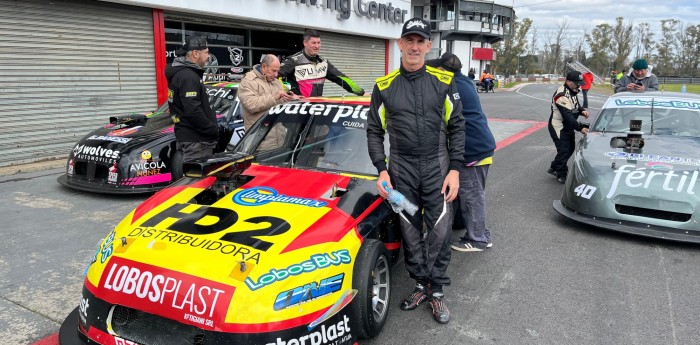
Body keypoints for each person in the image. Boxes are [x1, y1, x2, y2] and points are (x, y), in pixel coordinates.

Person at [366, 18, 465, 324]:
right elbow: (373, 131)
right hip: (401, 170)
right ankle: (421, 284)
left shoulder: (444, 81)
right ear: (399, 44)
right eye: (409, 40)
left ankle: (436, 291)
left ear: (428, 46)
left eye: (420, 41)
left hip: (437, 167)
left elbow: (458, 127)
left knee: (438, 229)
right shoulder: (383, 87)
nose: (414, 46)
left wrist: (455, 170)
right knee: (409, 228)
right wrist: (381, 170)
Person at [426, 53, 496, 252]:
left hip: (472, 149)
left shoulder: (450, 86)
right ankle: (478, 230)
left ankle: (478, 239)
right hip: (481, 145)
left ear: (442, 70)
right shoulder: (464, 81)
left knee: (472, 195)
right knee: (471, 193)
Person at [165, 36, 219, 161]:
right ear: (195, 54)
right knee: (198, 180)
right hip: (196, 142)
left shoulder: (185, 73)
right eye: (206, 52)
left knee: (192, 178)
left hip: (192, 139)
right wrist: (212, 130)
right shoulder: (188, 75)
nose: (208, 56)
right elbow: (193, 110)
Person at [279, 30, 367, 97]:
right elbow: (276, 77)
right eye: (313, 43)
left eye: (318, 43)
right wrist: (288, 93)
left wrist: (361, 93)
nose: (317, 46)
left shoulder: (323, 63)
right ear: (305, 43)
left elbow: (342, 79)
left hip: (317, 108)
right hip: (298, 108)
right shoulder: (293, 61)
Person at [238, 54, 298, 151]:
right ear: (264, 67)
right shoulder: (248, 81)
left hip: (280, 140)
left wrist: (293, 99)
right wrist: (274, 97)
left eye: (277, 71)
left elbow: (281, 104)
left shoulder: (275, 81)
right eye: (273, 71)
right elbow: (251, 104)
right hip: (260, 143)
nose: (276, 75)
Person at [547, 71, 590, 184]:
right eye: (576, 83)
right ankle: (561, 174)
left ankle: (554, 166)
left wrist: (582, 111)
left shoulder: (572, 91)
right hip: (558, 126)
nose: (578, 85)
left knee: (570, 148)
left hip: (568, 125)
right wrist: (580, 128)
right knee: (564, 150)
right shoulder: (561, 95)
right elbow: (568, 116)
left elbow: (575, 105)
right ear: (568, 81)